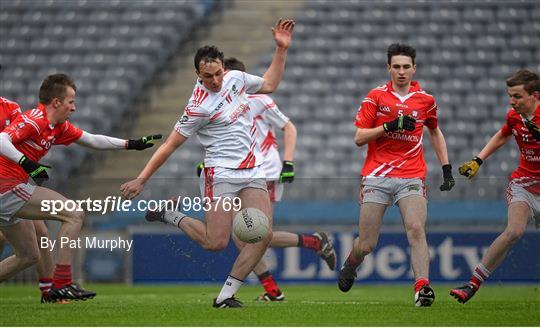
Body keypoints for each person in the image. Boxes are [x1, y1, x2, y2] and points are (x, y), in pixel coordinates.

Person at [120, 19, 295, 308]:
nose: (214, 81)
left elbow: (270, 84)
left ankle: (226, 295)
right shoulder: (197, 108)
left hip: (253, 171)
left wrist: (280, 49)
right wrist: (142, 179)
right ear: (197, 74)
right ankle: (170, 215)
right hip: (220, 174)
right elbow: (169, 146)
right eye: (207, 76)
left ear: (223, 68)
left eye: (217, 73)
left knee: (262, 235)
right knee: (216, 243)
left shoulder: (236, 79)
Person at [0, 74, 161, 302]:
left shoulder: (57, 126)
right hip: (6, 187)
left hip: (11, 190)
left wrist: (130, 144)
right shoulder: (35, 120)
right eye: (71, 102)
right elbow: (1, 140)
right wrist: (27, 163)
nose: (74, 108)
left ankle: (54, 289)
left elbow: (92, 140)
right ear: (56, 102)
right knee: (74, 214)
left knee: (27, 256)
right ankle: (63, 283)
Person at [190, 57, 337, 302]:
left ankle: (279, 281)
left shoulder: (259, 101)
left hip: (263, 171)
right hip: (236, 172)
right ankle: (302, 255)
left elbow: (289, 128)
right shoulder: (219, 106)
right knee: (244, 234)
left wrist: (288, 162)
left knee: (254, 233)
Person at [337, 43, 455, 307]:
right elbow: (359, 137)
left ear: (414, 68)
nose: (401, 72)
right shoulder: (375, 97)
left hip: (412, 175)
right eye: (396, 67)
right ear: (388, 68)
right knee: (367, 244)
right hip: (376, 176)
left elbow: (435, 131)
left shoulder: (426, 100)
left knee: (415, 228)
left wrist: (446, 167)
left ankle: (422, 287)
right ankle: (351, 262)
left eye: (406, 67)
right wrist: (389, 125)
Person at [450, 69, 540, 304]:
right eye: (510, 96)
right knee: (514, 231)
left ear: (535, 96)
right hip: (524, 185)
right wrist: (478, 159)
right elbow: (502, 135)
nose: (512, 101)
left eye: (517, 96)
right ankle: (472, 285)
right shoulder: (514, 117)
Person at [0, 96, 57, 302]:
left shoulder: (10, 108)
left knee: (41, 232)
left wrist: (30, 166)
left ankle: (49, 291)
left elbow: (20, 142)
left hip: (10, 180)